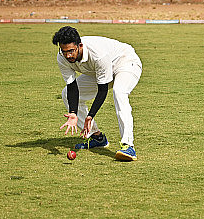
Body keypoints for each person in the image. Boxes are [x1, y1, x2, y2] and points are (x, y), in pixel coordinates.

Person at [52, 26, 142, 161]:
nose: (68, 56)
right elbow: (72, 87)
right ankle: (97, 137)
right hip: (98, 71)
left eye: (71, 51)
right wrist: (73, 113)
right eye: (64, 51)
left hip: (125, 62)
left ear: (79, 45)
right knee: (66, 94)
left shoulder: (98, 54)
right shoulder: (62, 57)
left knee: (119, 92)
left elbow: (102, 89)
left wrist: (90, 115)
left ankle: (128, 145)